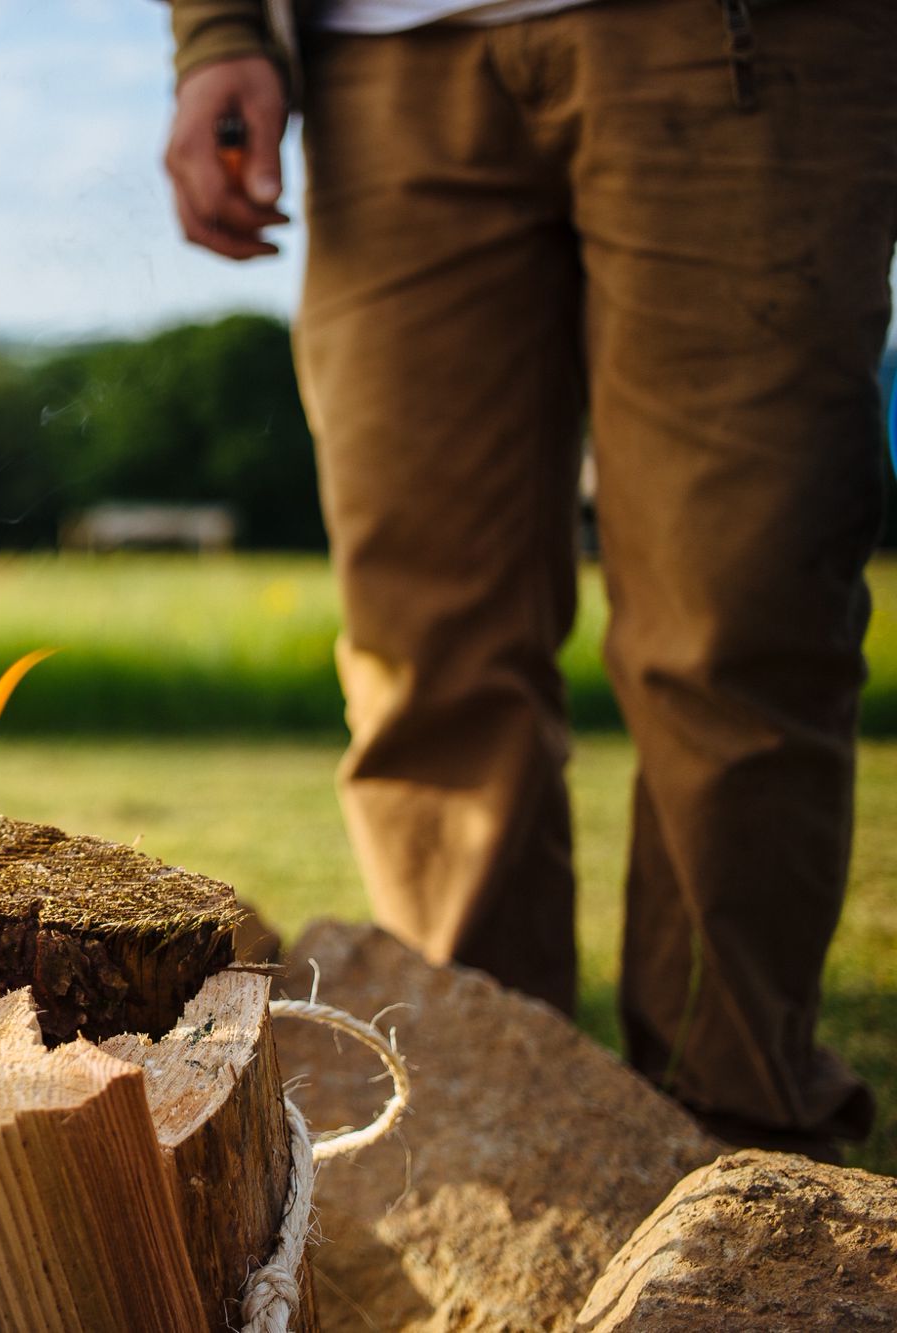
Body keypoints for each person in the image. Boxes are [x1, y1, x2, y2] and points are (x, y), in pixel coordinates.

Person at [163, 0, 893, 1159]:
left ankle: (736, 1156)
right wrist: (217, 31)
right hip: (381, 62)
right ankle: (472, 1131)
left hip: (747, 40)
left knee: (740, 624)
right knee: (423, 651)